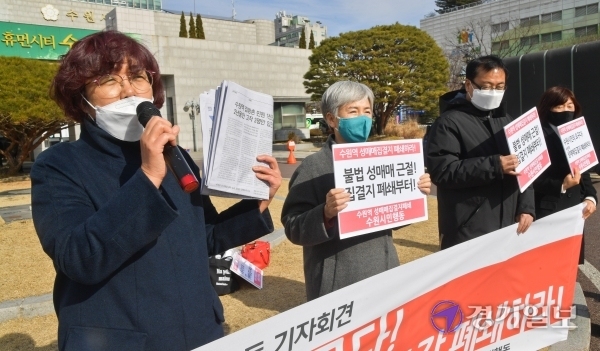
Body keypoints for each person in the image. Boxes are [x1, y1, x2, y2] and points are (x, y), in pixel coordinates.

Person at [31, 31, 281, 351]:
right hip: (121, 341)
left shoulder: (175, 156)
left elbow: (203, 236)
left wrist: (259, 202)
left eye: (137, 77)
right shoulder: (57, 166)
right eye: (109, 80)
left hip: (199, 331)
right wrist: (148, 176)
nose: (128, 91)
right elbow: (79, 257)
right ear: (81, 98)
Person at [281, 81, 431, 301]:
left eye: (367, 111)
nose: (363, 118)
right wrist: (325, 213)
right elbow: (293, 227)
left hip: (385, 272)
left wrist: (412, 192)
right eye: (353, 111)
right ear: (332, 119)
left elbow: (388, 218)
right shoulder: (314, 166)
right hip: (338, 283)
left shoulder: (383, 160)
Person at [426, 55, 535, 250]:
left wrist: (526, 207)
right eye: (486, 86)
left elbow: (527, 165)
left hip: (509, 224)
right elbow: (442, 172)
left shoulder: (507, 120)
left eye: (500, 87)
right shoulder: (448, 123)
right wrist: (495, 165)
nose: (493, 92)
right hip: (469, 229)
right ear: (468, 85)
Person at [534, 86, 597, 264]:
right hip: (546, 211)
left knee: (568, 266)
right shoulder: (537, 135)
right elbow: (528, 179)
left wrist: (591, 197)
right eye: (559, 107)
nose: (566, 111)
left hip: (574, 212)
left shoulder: (577, 133)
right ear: (548, 108)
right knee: (546, 264)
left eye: (570, 106)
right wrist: (560, 184)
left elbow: (584, 170)